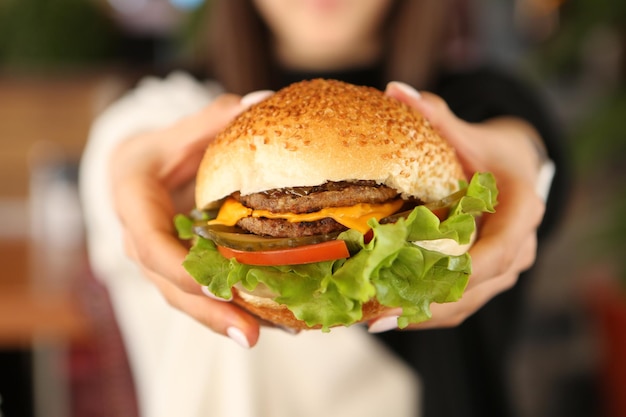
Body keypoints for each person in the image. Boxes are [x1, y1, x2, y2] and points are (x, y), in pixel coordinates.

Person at [80, 1, 567, 416]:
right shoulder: (178, 106)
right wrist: (126, 164)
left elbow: (525, 143)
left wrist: (524, 162)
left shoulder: (469, 106)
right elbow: (126, 146)